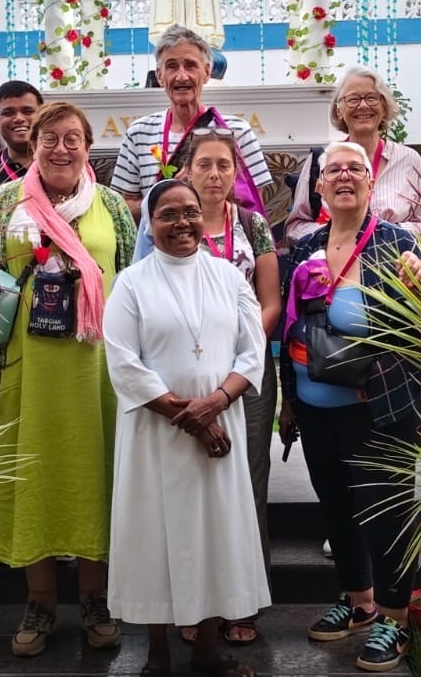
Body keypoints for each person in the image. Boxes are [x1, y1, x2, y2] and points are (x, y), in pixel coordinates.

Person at [0, 101, 135, 658]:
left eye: (73, 138)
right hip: (26, 369)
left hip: (95, 370)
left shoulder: (112, 207)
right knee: (31, 475)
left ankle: (95, 599)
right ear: (32, 143)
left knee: (94, 472)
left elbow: (134, 279)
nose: (61, 148)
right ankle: (40, 601)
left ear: (88, 146)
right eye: (51, 138)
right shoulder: (3, 203)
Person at [104, 179, 268, 677]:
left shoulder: (229, 277)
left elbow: (252, 349)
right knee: (152, 532)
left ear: (205, 216)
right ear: (149, 225)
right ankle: (156, 653)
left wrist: (217, 402)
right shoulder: (131, 282)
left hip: (222, 423)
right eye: (168, 214)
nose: (182, 223)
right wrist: (194, 420)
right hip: (158, 432)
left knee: (217, 532)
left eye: (191, 212)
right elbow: (123, 361)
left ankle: (209, 649)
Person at [279, 141, 421, 673]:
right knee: (336, 506)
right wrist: (289, 401)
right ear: (318, 186)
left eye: (354, 169)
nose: (343, 175)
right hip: (315, 408)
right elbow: (289, 327)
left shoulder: (399, 244)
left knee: (384, 512)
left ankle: (395, 616)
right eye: (332, 169)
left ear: (370, 182)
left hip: (378, 406)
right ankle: (358, 601)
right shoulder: (304, 247)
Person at [138, 131, 281, 647]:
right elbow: (133, 330)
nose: (216, 172)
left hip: (239, 381)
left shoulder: (250, 230)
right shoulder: (148, 250)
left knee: (243, 486)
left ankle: (238, 601)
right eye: (205, 163)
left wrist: (224, 386)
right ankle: (186, 604)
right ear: (186, 171)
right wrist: (190, 405)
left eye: (225, 164)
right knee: (176, 494)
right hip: (173, 398)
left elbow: (267, 306)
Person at [111, 24, 272, 221]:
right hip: (160, 245)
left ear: (207, 72)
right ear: (160, 76)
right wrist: (163, 197)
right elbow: (121, 207)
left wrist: (203, 190)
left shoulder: (237, 132)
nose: (181, 76)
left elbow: (254, 208)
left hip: (223, 247)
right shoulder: (139, 133)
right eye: (171, 66)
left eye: (190, 65)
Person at [286, 65, 421, 243]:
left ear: (384, 107)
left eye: (372, 98)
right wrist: (337, 234)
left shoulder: (409, 160)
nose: (363, 105)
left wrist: (384, 233)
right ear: (339, 110)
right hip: (333, 266)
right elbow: (294, 227)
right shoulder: (322, 160)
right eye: (353, 99)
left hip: (394, 265)